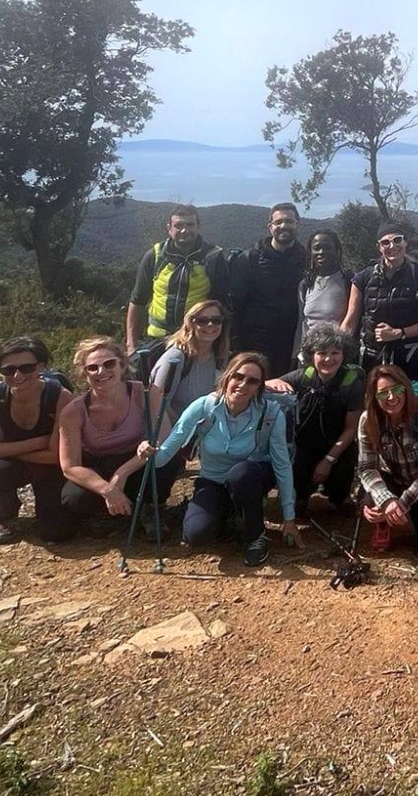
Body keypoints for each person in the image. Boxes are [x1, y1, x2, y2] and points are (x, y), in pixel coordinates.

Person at [143, 350, 299, 565]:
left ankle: (256, 536)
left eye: (252, 381)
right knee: (196, 535)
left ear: (259, 388)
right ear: (227, 377)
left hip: (253, 477)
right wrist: (149, 452)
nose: (243, 385)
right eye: (238, 376)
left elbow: (282, 465)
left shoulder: (271, 414)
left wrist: (289, 518)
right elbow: (165, 454)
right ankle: (229, 514)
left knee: (240, 474)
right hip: (213, 480)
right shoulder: (204, 406)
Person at [0, 337, 74, 545]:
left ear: (41, 367)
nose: (17, 375)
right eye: (9, 370)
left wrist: (1, 449)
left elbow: (56, 456)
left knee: (57, 533)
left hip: (50, 469)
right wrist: (40, 442)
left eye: (27, 368)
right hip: (12, 466)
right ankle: (5, 516)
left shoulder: (60, 397)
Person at [54, 336, 158, 535]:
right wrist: (107, 489)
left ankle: (149, 508)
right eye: (92, 368)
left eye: (109, 364)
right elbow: (70, 466)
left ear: (122, 365)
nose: (101, 372)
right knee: (73, 497)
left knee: (163, 465)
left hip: (137, 460)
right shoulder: (73, 412)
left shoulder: (146, 393)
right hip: (98, 465)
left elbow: (161, 440)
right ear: (84, 374)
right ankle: (106, 512)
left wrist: (121, 475)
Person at [355, 364, 418, 559]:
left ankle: (401, 515)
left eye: (397, 390)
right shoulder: (368, 420)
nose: (392, 398)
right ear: (374, 397)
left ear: (406, 389)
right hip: (389, 480)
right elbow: (367, 468)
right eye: (383, 394)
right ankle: (382, 523)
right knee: (369, 496)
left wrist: (400, 504)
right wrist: (386, 501)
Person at [125, 205, 227, 371]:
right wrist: (131, 345)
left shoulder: (213, 257)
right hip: (157, 339)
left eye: (190, 225)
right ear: (169, 229)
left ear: (198, 227)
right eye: (179, 225)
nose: (184, 230)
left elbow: (222, 306)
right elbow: (137, 300)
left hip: (196, 340)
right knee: (152, 390)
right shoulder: (155, 255)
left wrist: (221, 347)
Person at [277, 323, 362, 513]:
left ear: (344, 354)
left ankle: (341, 496)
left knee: (346, 461)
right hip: (305, 445)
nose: (328, 359)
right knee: (295, 459)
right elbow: (265, 384)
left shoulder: (352, 383)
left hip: (337, 446)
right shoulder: (303, 376)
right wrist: (276, 383)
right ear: (311, 355)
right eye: (321, 352)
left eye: (335, 352)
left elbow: (351, 429)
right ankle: (300, 496)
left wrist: (329, 460)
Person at [343, 222, 418, 380]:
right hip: (371, 355)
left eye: (397, 240)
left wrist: (398, 333)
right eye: (385, 242)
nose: (392, 245)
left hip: (408, 355)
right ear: (379, 247)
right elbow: (350, 321)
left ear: (405, 242)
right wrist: (334, 348)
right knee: (371, 401)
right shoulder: (363, 277)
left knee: (405, 401)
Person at [230, 203, 306, 378]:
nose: (284, 226)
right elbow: (234, 306)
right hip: (253, 345)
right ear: (270, 227)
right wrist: (235, 349)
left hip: (291, 347)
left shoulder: (307, 261)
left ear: (297, 225)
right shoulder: (249, 259)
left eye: (289, 221)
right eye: (278, 222)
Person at [148, 299, 232, 453]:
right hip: (169, 433)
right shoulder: (176, 357)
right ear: (190, 323)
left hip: (195, 433)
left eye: (216, 320)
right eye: (202, 321)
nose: (210, 325)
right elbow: (158, 402)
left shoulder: (220, 357)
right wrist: (174, 442)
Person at [294, 231, 350, 360]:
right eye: (316, 248)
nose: (321, 252)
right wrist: (296, 354)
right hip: (309, 355)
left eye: (327, 247)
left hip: (336, 356)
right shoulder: (305, 284)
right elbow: (301, 323)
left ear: (337, 250)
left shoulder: (349, 281)